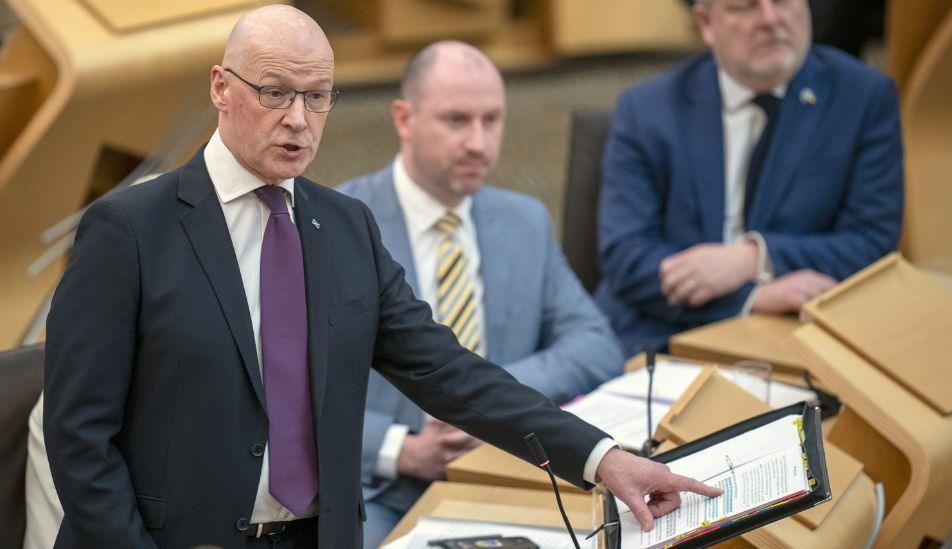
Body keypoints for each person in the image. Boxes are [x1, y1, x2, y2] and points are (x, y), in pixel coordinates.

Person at [42, 6, 719, 548]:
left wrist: (603, 458)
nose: (298, 120)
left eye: (318, 97)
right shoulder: (128, 229)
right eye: (275, 93)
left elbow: (452, 374)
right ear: (222, 87)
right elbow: (79, 437)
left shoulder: (345, 228)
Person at [338, 41, 624, 546]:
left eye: (491, 120)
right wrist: (398, 448)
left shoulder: (524, 220)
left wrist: (485, 401)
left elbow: (596, 344)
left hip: (514, 470)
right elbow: (281, 388)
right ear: (404, 119)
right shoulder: (338, 224)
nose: (478, 142)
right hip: (383, 488)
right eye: (456, 121)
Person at [595, 0, 903, 354]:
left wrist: (753, 258)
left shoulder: (863, 97)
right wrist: (753, 296)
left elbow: (872, 244)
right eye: (744, 7)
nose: (771, 20)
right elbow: (626, 256)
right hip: (663, 334)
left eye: (784, 1)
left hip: (801, 336)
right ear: (706, 23)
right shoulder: (647, 110)